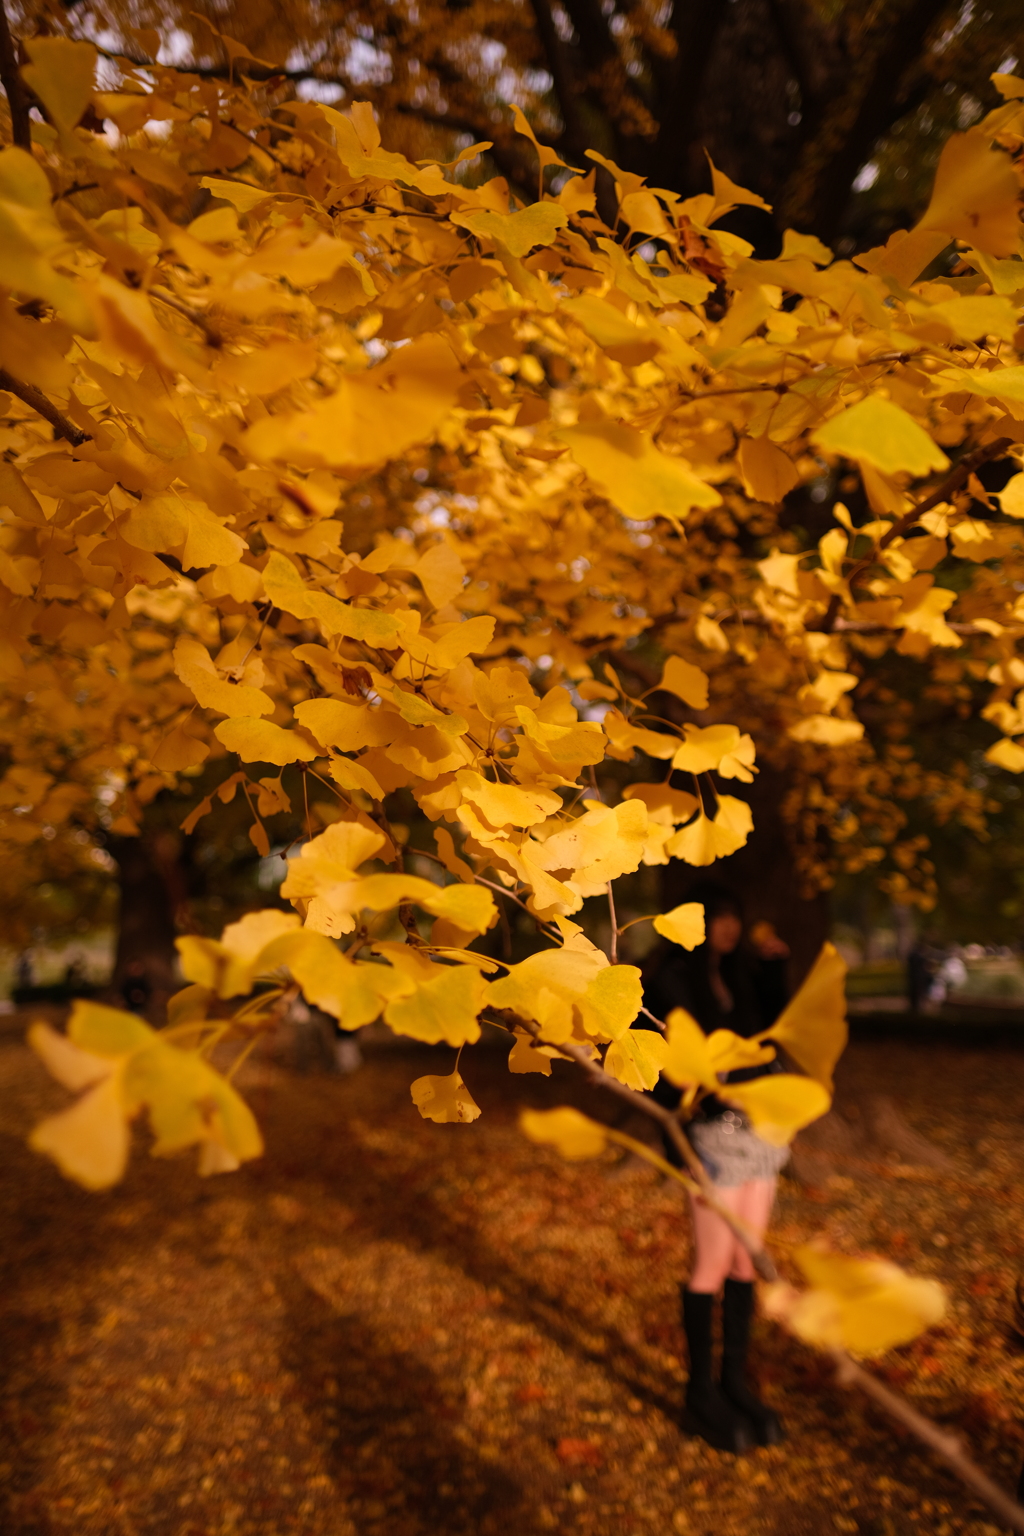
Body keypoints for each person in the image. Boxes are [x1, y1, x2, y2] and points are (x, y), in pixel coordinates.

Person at [642, 880, 790, 1454]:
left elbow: (768, 1035)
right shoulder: (670, 981)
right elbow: (660, 1065)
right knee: (712, 1261)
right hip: (709, 1137)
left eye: (734, 917)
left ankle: (734, 1381)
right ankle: (699, 1391)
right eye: (717, 918)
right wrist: (694, 1107)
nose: (728, 928)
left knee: (748, 1259)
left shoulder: (743, 973)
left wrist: (775, 970)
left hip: (760, 1131)